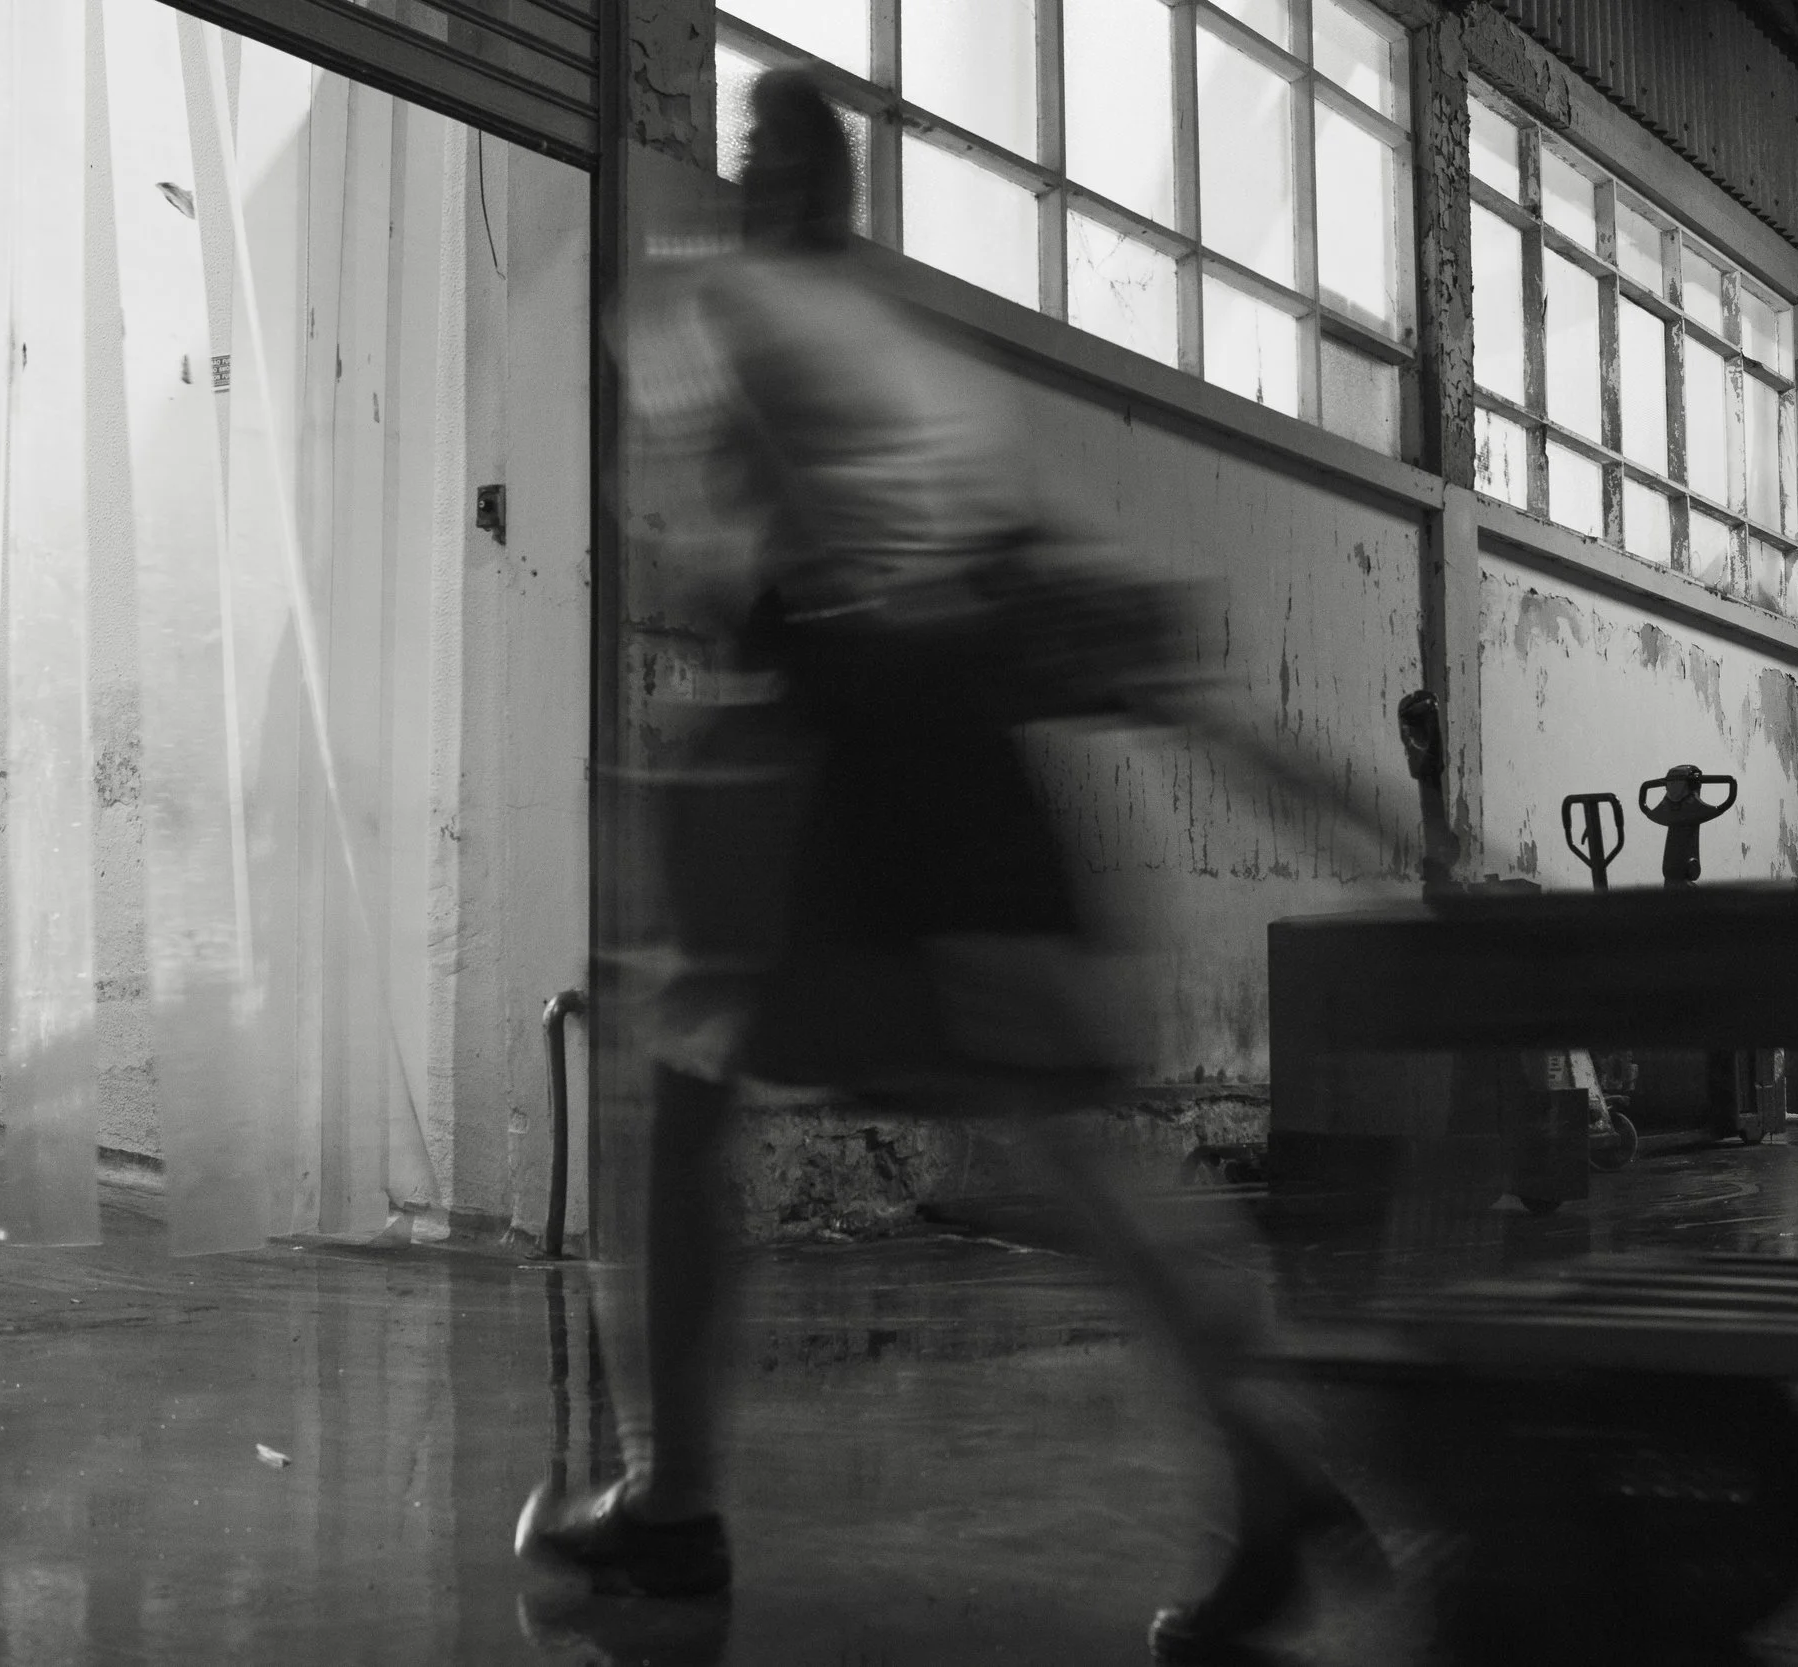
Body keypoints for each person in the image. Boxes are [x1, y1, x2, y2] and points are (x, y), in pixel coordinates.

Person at [512, 67, 1384, 1661]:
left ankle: (671, 1510)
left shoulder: (719, 313)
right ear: (851, 197)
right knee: (1071, 1141)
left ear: (757, 187)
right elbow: (1065, 583)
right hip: (970, 752)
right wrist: (1281, 769)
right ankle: (1278, 1469)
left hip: (843, 740)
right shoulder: (929, 370)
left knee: (681, 1092)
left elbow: (727, 560)